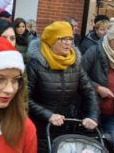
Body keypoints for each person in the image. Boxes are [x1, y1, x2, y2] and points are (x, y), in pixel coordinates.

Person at [27, 21, 99, 152]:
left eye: (70, 38)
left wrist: (92, 115)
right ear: (51, 40)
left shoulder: (75, 63)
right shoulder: (36, 64)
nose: (68, 43)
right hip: (40, 129)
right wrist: (48, 115)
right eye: (63, 39)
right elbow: (24, 98)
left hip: (67, 128)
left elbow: (89, 91)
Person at [82, 19, 114, 153]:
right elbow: (79, 76)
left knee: (113, 149)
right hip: (91, 114)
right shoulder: (93, 52)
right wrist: (97, 88)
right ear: (110, 38)